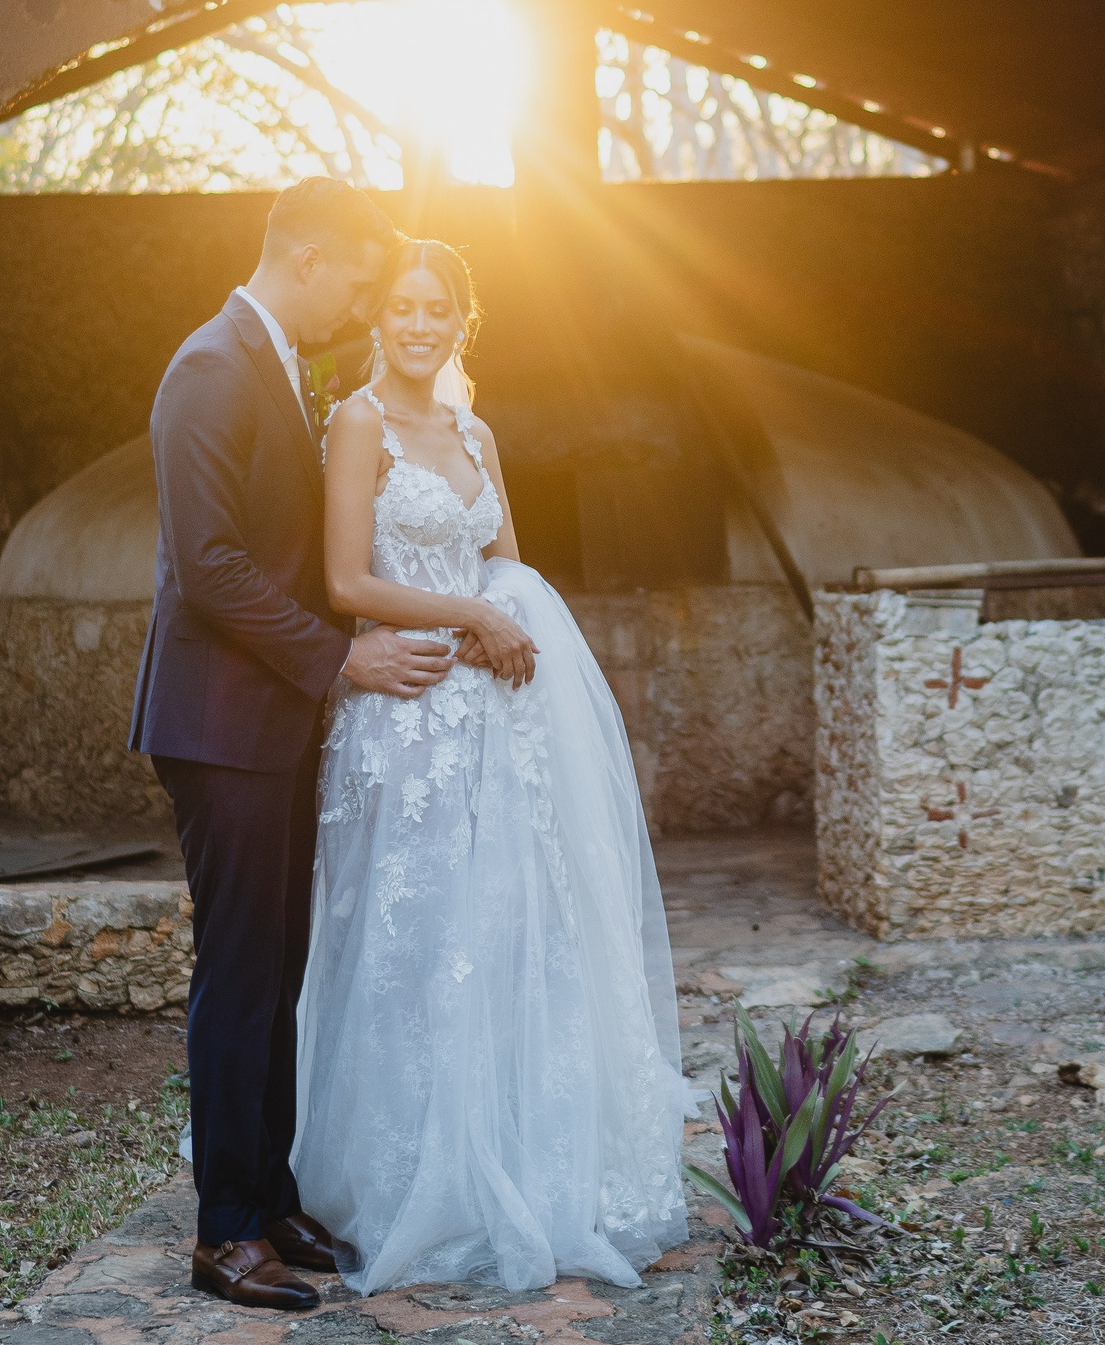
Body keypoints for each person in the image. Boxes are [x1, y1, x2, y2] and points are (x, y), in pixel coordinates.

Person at [293, 239, 689, 1294]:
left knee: (502, 931)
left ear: (460, 323)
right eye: (401, 307)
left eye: (438, 309)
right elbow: (344, 582)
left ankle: (509, 1159)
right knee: (416, 940)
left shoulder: (477, 432)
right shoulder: (358, 423)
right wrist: (468, 613)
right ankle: (404, 1178)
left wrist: (495, 616)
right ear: (377, 318)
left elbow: (505, 564)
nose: (419, 325)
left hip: (491, 717)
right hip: (405, 715)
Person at [129, 177, 453, 1312]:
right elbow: (209, 567)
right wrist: (339, 659)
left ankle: (268, 1197)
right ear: (310, 259)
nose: (358, 305)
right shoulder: (209, 367)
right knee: (237, 975)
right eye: (357, 283)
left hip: (270, 722)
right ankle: (222, 1230)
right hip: (220, 724)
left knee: (278, 969)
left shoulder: (270, 361)